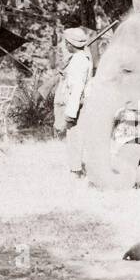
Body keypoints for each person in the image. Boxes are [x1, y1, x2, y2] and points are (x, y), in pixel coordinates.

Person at [54, 27, 94, 175]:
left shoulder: (79, 61)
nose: (65, 45)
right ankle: (76, 168)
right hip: (78, 104)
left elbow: (77, 88)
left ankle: (76, 171)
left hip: (77, 105)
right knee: (74, 138)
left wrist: (70, 113)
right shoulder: (81, 58)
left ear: (70, 44)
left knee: (75, 138)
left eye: (66, 42)